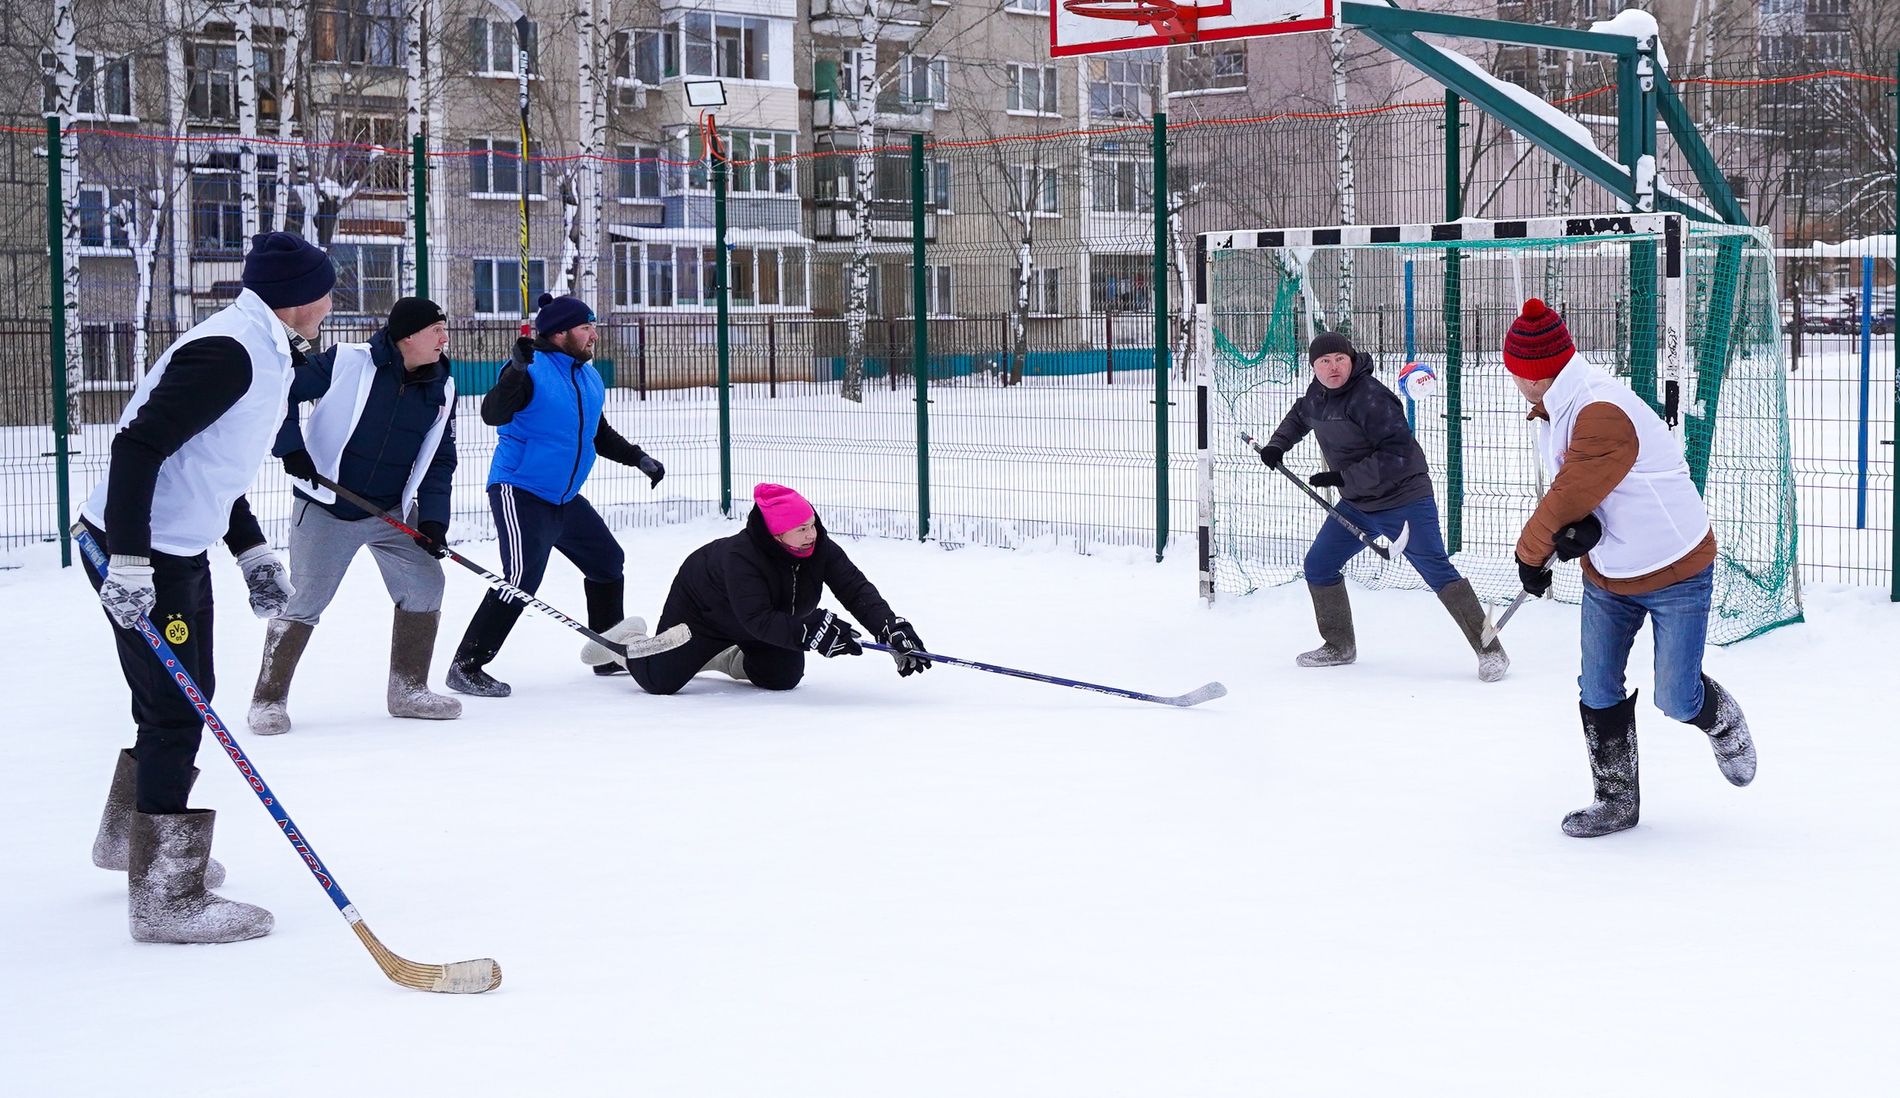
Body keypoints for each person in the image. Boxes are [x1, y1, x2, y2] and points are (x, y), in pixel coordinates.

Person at [78, 231, 334, 944]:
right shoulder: (232, 352)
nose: (331, 301)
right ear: (304, 299)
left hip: (173, 545)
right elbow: (137, 446)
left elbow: (208, 465)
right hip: (143, 550)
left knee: (180, 695)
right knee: (177, 709)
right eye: (327, 289)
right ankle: (165, 895)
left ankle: (131, 841)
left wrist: (250, 550)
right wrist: (129, 562)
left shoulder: (262, 346)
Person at [1503, 298, 1756, 837]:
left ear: (1531, 373)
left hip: (1676, 569)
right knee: (1596, 689)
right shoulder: (1558, 405)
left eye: (1514, 373)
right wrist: (1580, 532)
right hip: (1610, 574)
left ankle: (1724, 721)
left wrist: (1532, 556)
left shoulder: (1597, 409)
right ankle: (1616, 803)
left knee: (1677, 697)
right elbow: (1586, 491)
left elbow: (1570, 490)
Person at [247, 296, 461, 735]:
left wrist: (434, 521)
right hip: (329, 505)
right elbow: (279, 392)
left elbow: (440, 459)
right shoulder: (348, 362)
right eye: (436, 329)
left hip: (393, 512)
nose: (444, 338)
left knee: (425, 583)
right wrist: (291, 449)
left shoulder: (442, 386)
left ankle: (408, 690)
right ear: (407, 337)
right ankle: (267, 700)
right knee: (305, 599)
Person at [446, 292, 666, 697]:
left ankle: (605, 650)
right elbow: (493, 413)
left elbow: (597, 433)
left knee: (606, 561)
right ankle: (466, 665)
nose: (594, 335)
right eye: (586, 327)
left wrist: (638, 458)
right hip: (521, 490)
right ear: (560, 332)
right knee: (520, 578)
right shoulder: (529, 370)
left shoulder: (587, 376)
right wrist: (514, 370)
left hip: (564, 497)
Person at [1258, 331, 1508, 681]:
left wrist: (1342, 478)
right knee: (1319, 564)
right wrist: (1277, 445)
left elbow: (1398, 454)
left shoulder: (1371, 398)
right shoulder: (1317, 395)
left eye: (1340, 359)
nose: (1334, 368)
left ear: (1351, 359)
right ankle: (1339, 645)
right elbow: (1300, 416)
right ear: (1313, 367)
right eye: (1325, 362)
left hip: (1403, 498)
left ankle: (1491, 651)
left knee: (1437, 570)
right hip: (1358, 502)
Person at [579, 483, 931, 694]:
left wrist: (890, 628)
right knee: (659, 681)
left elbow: (855, 588)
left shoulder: (818, 546)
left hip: (759, 620)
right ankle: (625, 643)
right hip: (704, 614)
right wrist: (807, 630)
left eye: (812, 523)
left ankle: (716, 656)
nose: (812, 534)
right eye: (801, 529)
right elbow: (756, 618)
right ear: (777, 535)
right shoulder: (741, 558)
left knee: (782, 676)